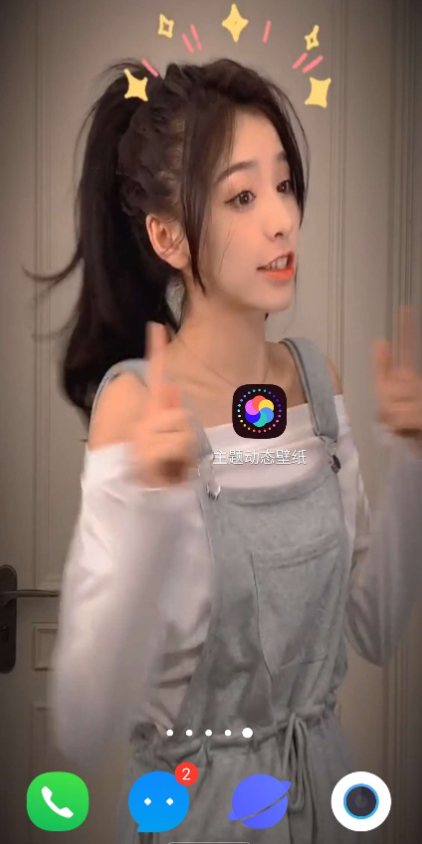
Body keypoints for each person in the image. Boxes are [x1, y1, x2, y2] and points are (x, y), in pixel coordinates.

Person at [28, 57, 422, 843]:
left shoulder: (317, 381)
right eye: (243, 196)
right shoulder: (139, 406)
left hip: (328, 800)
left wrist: (412, 460)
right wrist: (147, 506)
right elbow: (85, 719)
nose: (282, 220)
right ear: (168, 236)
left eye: (284, 185)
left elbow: (375, 627)